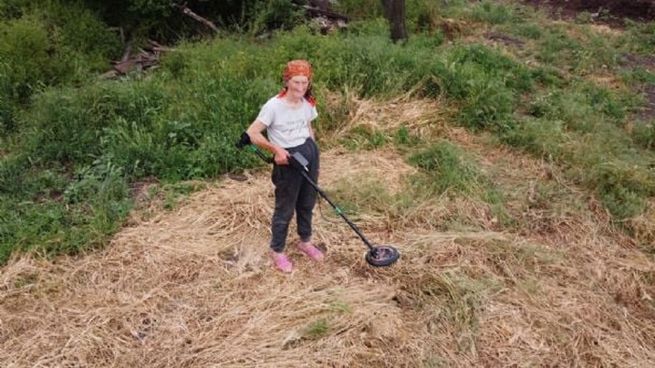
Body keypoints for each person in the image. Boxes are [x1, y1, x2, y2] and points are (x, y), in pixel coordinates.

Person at [246, 59, 324, 273]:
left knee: (307, 202)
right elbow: (252, 133)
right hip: (288, 159)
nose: (300, 88)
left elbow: (308, 127)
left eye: (304, 83)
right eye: (296, 82)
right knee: (285, 208)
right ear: (287, 81)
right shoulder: (273, 106)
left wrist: (314, 151)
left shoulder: (308, 102)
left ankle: (305, 241)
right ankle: (277, 250)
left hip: (308, 153)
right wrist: (277, 151)